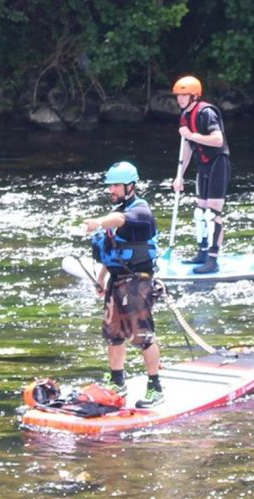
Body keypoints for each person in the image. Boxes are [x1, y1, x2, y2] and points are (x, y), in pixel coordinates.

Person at [83, 161, 164, 408]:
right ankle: (117, 382)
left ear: (130, 186)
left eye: (116, 185)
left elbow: (119, 220)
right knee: (113, 334)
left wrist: (98, 222)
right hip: (116, 282)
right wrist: (100, 279)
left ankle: (155, 387)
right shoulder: (119, 209)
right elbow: (114, 251)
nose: (112, 190)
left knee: (143, 337)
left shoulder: (141, 212)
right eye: (110, 186)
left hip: (138, 283)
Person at [171, 75, 231, 274]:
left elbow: (217, 140)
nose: (180, 99)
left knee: (212, 214)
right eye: (178, 96)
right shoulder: (185, 116)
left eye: (184, 95)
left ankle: (213, 260)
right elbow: (187, 148)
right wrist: (180, 175)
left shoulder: (206, 112)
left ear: (194, 96)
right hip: (203, 166)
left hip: (218, 164)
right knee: (199, 213)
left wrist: (192, 135)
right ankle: (202, 253)